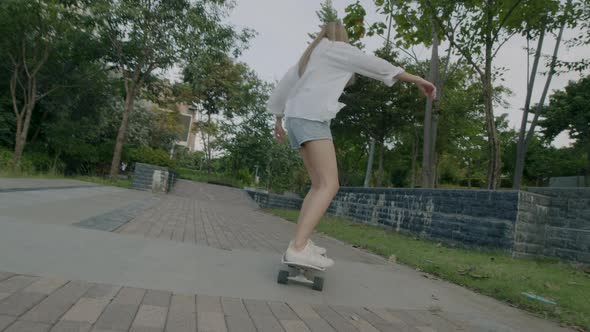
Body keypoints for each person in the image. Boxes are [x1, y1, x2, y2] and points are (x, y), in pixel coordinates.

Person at [267, 22, 436, 268]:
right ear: (341, 37)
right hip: (312, 119)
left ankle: (300, 242)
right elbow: (375, 65)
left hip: (296, 118)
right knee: (329, 184)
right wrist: (415, 78)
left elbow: (283, 86)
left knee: (317, 185)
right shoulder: (337, 48)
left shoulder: (310, 55)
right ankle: (298, 247)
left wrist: (278, 120)